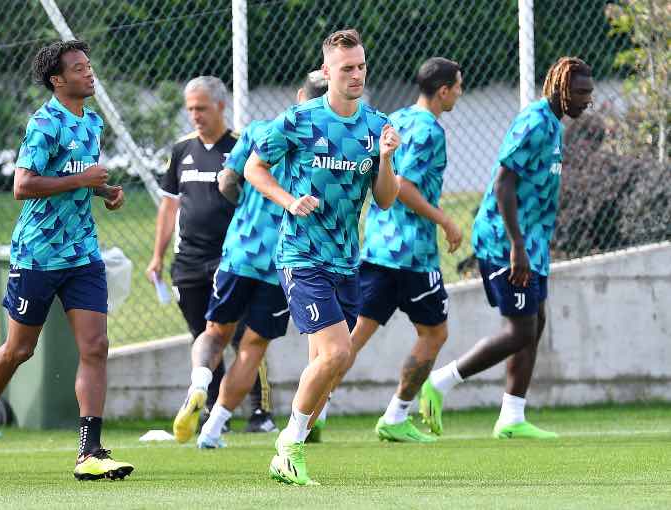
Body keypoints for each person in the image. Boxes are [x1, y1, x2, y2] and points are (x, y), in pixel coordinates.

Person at [0, 40, 133, 480]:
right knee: (20, 349)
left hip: (83, 254)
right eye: (79, 69)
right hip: (37, 255)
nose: (89, 74)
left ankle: (89, 452)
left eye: (89, 66)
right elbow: (24, 185)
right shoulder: (44, 123)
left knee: (95, 346)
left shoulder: (90, 122)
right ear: (58, 81)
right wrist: (84, 178)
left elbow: (75, 178)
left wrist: (103, 191)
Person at [245, 29, 400, 486]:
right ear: (327, 72)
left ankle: (294, 446)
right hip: (301, 255)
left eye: (361, 66)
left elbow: (387, 199)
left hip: (346, 261)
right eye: (347, 68)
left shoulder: (377, 126)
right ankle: (288, 447)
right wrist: (288, 200)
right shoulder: (300, 120)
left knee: (333, 364)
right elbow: (254, 167)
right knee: (338, 351)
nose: (356, 74)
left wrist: (387, 159)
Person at [420, 57, 594, 439]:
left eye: (590, 93)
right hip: (504, 241)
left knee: (536, 323)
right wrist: (517, 245)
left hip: (531, 244)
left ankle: (512, 417)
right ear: (562, 89)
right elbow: (503, 184)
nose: (587, 100)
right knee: (519, 330)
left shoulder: (554, 127)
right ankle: (440, 382)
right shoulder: (533, 122)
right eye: (581, 92)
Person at [326, 58, 464, 443]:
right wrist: (446, 220)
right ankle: (396, 414)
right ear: (443, 91)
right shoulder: (430, 131)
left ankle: (315, 411)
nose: (460, 93)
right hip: (413, 254)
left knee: (352, 338)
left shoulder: (395, 118)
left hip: (377, 246)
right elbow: (403, 186)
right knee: (435, 333)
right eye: (458, 86)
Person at [191, 71, 329, 449]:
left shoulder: (259, 130)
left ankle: (200, 383)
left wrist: (246, 210)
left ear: (301, 95)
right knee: (252, 348)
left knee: (215, 332)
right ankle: (213, 428)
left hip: (241, 250)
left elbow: (226, 181)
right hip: (285, 259)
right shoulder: (330, 146)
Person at [145, 76, 272, 433]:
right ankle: (213, 406)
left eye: (201, 108)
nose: (195, 116)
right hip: (188, 261)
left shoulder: (241, 147)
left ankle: (260, 412)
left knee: (243, 333)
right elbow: (169, 207)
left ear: (220, 106)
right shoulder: (181, 150)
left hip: (232, 258)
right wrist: (157, 256)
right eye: (190, 110)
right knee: (202, 333)